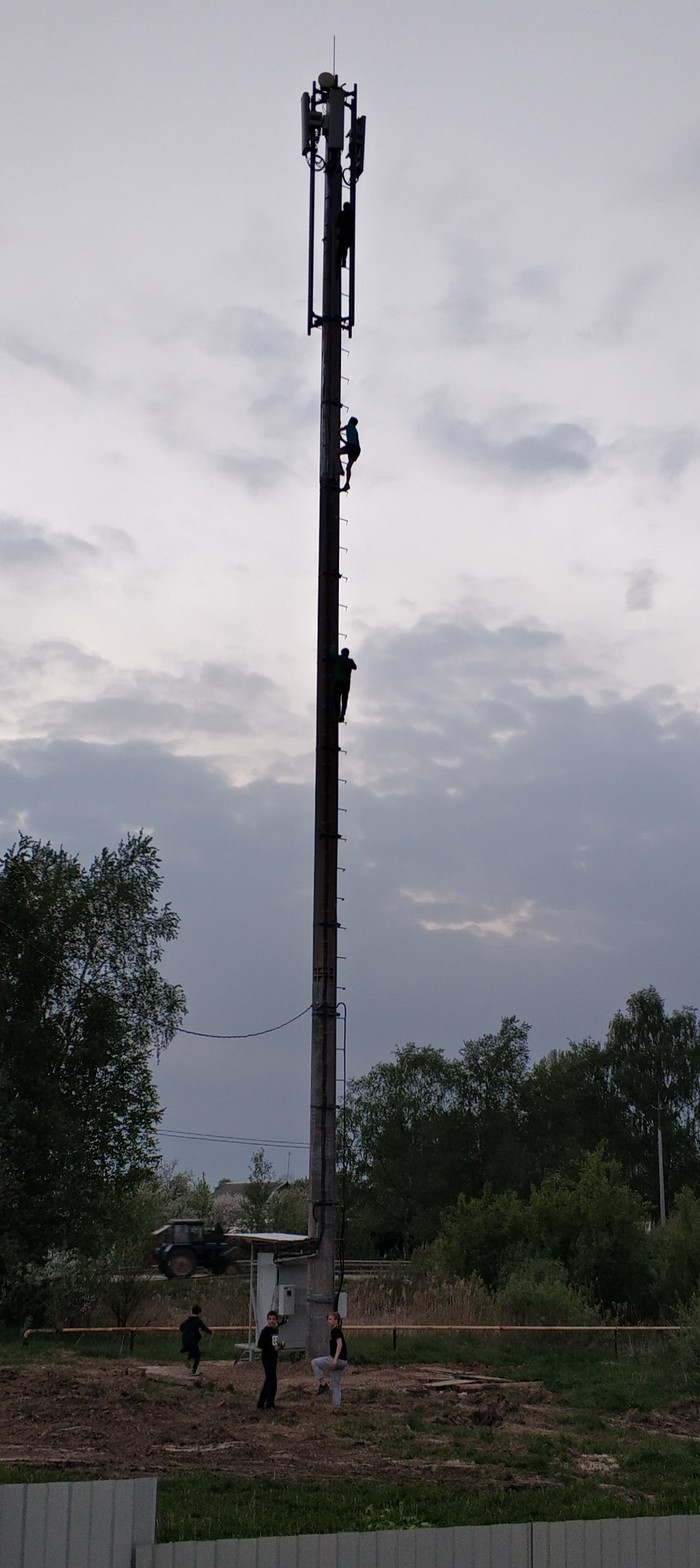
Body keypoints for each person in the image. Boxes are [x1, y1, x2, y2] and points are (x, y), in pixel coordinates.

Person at [311, 1310, 348, 1413]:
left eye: (331, 1319)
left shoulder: (335, 1330)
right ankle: (336, 1409)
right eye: (328, 1319)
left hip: (336, 1359)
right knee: (336, 1385)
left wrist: (335, 1359)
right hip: (343, 1361)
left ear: (336, 1320)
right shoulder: (338, 1330)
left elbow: (339, 1344)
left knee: (314, 1362)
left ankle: (323, 1384)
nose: (328, 1321)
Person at [256, 1309, 284, 1411]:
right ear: (267, 1320)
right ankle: (269, 1404)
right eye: (270, 1319)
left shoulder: (276, 1330)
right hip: (267, 1358)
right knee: (272, 1381)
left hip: (273, 1357)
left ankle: (261, 1403)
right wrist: (272, 1348)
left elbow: (274, 1343)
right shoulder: (265, 1331)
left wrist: (279, 1346)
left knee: (269, 1380)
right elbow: (260, 1345)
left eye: (273, 1319)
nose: (272, 1321)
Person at [179, 1304, 212, 1375]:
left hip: (184, 1338)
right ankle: (193, 1370)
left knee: (193, 1351)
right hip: (191, 1339)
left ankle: (188, 1357)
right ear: (199, 1313)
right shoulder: (197, 1320)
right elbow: (204, 1328)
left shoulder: (188, 1319)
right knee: (198, 1355)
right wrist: (210, 1332)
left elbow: (181, 1327)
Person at [330, 646, 357, 722]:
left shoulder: (339, 659)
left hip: (338, 682)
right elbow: (355, 667)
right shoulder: (350, 661)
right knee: (344, 700)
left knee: (336, 699)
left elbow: (332, 654)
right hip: (346, 683)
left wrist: (332, 647)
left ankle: (338, 714)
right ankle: (342, 715)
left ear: (342, 653)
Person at [339, 416, 360, 491]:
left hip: (351, 447)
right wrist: (342, 440)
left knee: (335, 453)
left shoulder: (348, 426)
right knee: (348, 467)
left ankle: (339, 467)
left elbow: (337, 430)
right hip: (357, 449)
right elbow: (349, 443)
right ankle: (347, 483)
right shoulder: (355, 430)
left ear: (350, 421)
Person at [337, 201, 354, 269]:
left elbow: (337, 224)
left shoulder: (343, 214)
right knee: (344, 250)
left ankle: (341, 262)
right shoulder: (350, 215)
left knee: (341, 250)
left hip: (343, 236)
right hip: (347, 237)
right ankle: (343, 262)